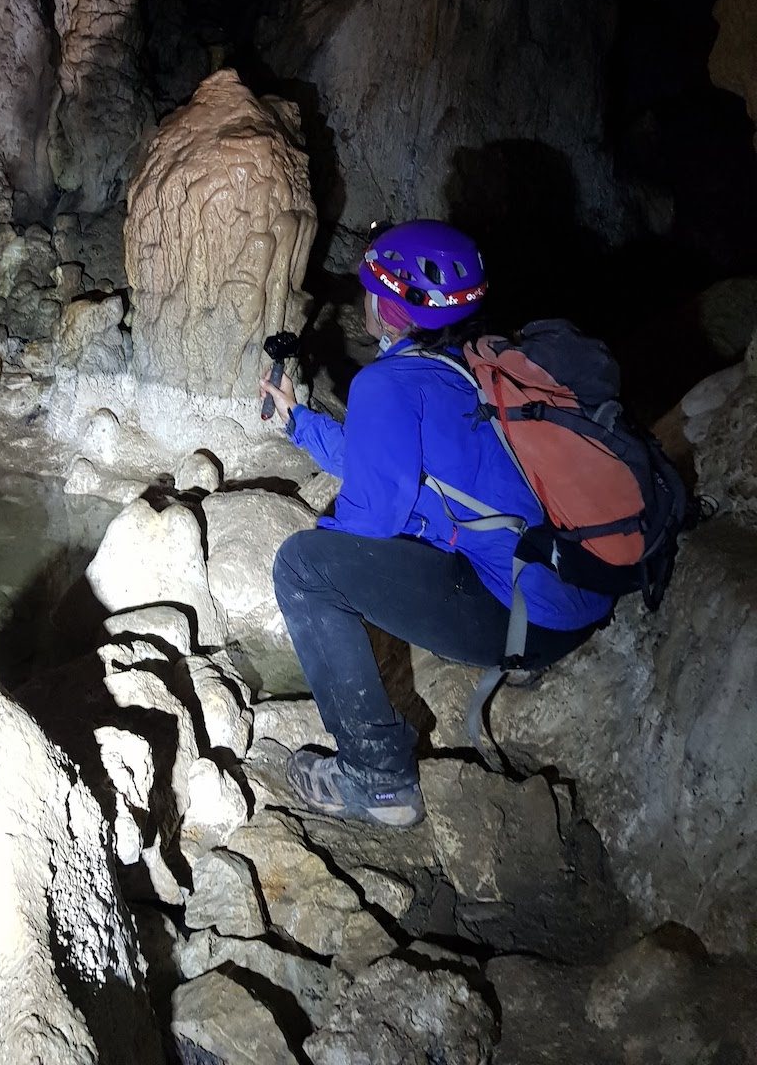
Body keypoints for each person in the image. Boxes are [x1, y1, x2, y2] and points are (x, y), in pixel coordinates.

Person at [258, 219, 613, 828]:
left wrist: (332, 539)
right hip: (585, 589)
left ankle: (378, 783)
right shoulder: (469, 365)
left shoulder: (387, 383)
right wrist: (300, 422)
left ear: (386, 309)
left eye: (371, 287)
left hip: (526, 620)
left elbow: (371, 518)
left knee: (303, 567)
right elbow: (397, 465)